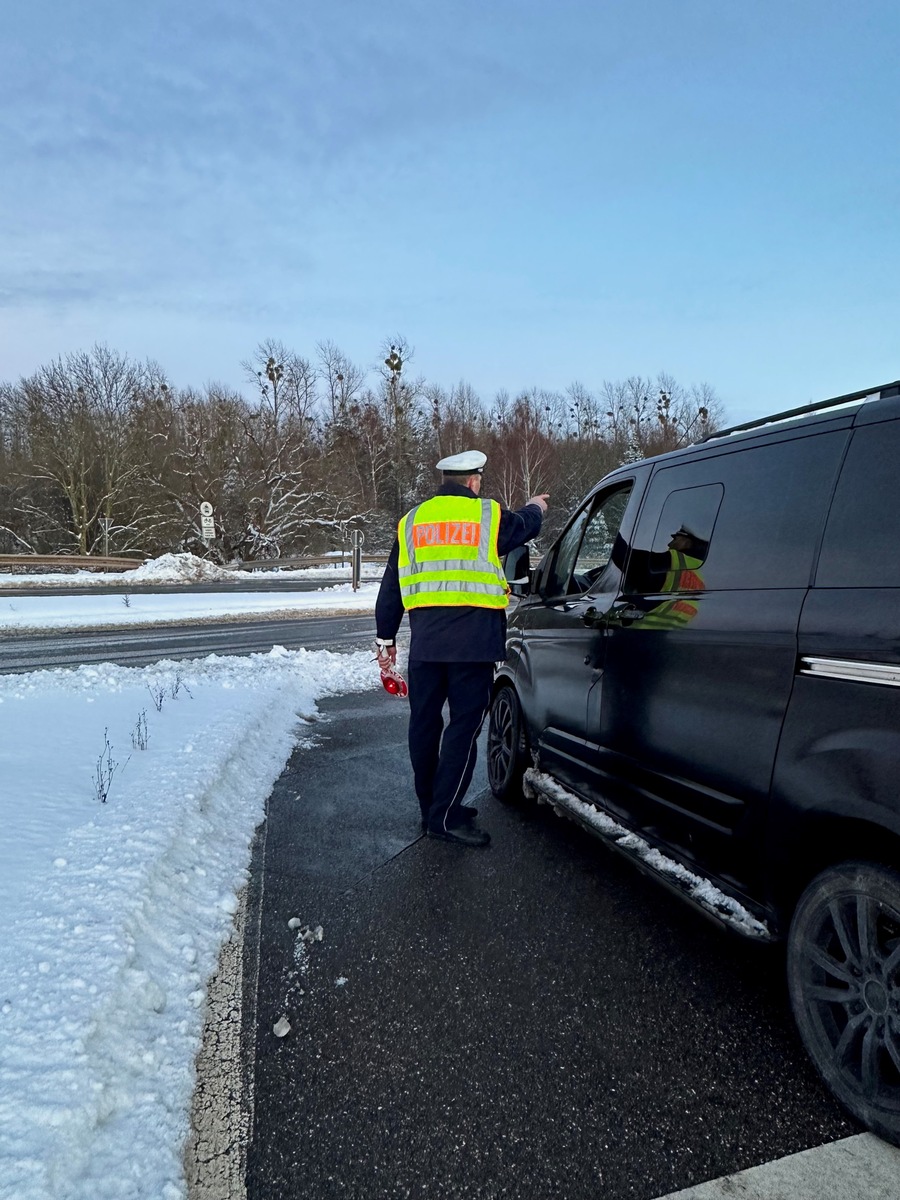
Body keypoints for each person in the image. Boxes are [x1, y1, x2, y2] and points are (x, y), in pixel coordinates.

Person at [375, 450, 548, 847]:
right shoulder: (486, 515)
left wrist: (385, 638)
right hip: (472, 647)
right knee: (464, 728)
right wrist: (536, 506)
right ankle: (446, 816)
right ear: (473, 482)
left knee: (423, 725)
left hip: (426, 647)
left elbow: (391, 587)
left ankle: (431, 808)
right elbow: (523, 527)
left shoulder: (411, 522)